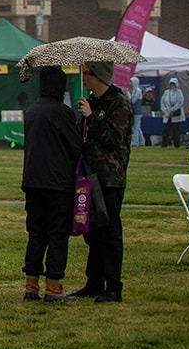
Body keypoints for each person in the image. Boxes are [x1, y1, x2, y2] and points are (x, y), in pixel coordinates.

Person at [21, 65, 83, 302]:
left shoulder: (32, 110)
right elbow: (75, 147)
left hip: (33, 181)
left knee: (36, 233)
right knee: (57, 234)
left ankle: (31, 285)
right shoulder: (63, 112)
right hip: (57, 183)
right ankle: (54, 286)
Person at [71, 60, 132, 302]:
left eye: (87, 73)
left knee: (110, 231)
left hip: (110, 178)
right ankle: (94, 281)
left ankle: (114, 285)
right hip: (89, 176)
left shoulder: (119, 103)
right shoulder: (91, 102)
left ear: (100, 76)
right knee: (92, 231)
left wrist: (92, 117)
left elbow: (115, 138)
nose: (84, 78)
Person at [161, 76, 185, 149]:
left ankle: (176, 145)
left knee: (176, 131)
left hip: (175, 114)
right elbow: (162, 102)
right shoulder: (166, 92)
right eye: (171, 84)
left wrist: (172, 111)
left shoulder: (179, 92)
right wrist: (165, 111)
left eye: (173, 84)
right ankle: (164, 144)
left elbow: (179, 103)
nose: (172, 86)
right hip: (167, 114)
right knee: (166, 130)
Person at [128, 78, 144, 148]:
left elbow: (133, 100)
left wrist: (128, 94)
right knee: (138, 127)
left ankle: (135, 142)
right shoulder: (133, 91)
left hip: (137, 112)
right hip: (134, 111)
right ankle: (141, 142)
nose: (130, 84)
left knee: (135, 127)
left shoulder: (138, 91)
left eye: (131, 82)